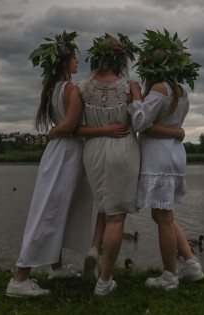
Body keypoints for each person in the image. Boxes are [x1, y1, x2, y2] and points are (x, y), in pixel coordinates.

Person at [6, 31, 95, 297]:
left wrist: (53, 133)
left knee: (59, 208)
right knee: (49, 210)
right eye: (75, 58)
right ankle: (20, 280)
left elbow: (62, 124)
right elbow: (70, 126)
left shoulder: (53, 89)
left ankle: (55, 267)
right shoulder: (71, 89)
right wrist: (54, 132)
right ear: (65, 62)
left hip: (58, 153)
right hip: (66, 154)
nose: (78, 63)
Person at [128, 29, 204, 290]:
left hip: (158, 156)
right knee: (163, 216)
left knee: (162, 216)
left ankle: (170, 275)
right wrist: (176, 133)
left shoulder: (159, 89)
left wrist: (136, 95)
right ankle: (191, 265)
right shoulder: (181, 91)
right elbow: (165, 126)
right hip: (173, 154)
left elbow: (140, 122)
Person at [76, 33, 141, 296]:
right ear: (121, 58)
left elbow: (74, 129)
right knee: (116, 216)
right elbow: (140, 122)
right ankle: (104, 282)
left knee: (103, 204)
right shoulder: (130, 86)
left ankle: (94, 249)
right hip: (123, 148)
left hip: (93, 151)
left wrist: (100, 129)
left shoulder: (81, 88)